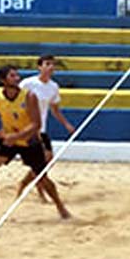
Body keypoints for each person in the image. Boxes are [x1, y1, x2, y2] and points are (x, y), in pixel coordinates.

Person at [0, 64, 71, 219]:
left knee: (41, 176)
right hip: (9, 140)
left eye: (16, 75)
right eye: (12, 76)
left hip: (29, 141)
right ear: (2, 80)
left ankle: (60, 206)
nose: (17, 78)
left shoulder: (29, 96)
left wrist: (16, 137)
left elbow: (36, 124)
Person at [18, 55, 76, 201]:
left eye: (53, 65)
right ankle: (30, 186)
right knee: (43, 160)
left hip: (42, 128)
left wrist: (66, 124)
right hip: (28, 128)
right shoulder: (28, 83)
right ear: (39, 67)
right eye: (47, 64)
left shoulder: (53, 87)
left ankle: (29, 185)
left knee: (47, 161)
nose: (51, 67)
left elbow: (55, 110)